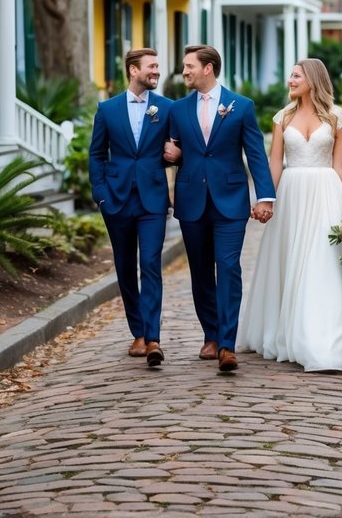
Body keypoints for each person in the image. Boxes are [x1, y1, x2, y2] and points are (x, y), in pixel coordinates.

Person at [237, 57, 342, 372]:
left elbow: (341, 165)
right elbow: (274, 163)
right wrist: (265, 199)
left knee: (322, 262)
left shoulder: (338, 117)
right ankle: (290, 332)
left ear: (312, 79)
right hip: (292, 195)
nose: (290, 80)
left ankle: (324, 338)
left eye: (296, 76)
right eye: (291, 75)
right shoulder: (282, 117)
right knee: (293, 260)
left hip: (326, 193)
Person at [165, 45, 276, 373]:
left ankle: (227, 344)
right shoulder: (177, 109)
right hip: (191, 200)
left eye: (189, 66)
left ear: (208, 68)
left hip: (230, 199)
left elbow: (255, 153)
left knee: (228, 267)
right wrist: (170, 156)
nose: (184, 72)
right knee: (200, 271)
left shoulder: (241, 106)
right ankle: (210, 335)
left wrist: (265, 196)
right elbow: (174, 151)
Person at [89, 47, 176, 369]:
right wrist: (101, 197)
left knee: (151, 264)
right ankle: (137, 331)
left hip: (153, 199)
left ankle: (153, 338)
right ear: (132, 70)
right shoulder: (107, 109)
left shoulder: (166, 109)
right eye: (151, 67)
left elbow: (179, 148)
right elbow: (96, 154)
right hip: (117, 199)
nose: (156, 72)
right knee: (125, 267)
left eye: (157, 67)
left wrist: (175, 157)